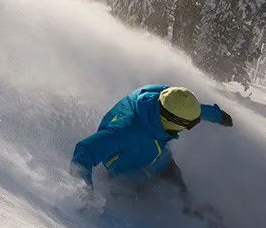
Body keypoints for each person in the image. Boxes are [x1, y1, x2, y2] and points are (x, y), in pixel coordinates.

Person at [70, 85, 233, 216]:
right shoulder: (126, 131)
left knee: (176, 178)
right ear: (172, 120)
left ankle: (192, 209)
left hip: (159, 158)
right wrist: (84, 191)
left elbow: (194, 111)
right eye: (190, 124)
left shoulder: (168, 100)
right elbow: (85, 151)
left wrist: (217, 115)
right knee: (136, 196)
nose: (190, 127)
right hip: (126, 169)